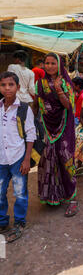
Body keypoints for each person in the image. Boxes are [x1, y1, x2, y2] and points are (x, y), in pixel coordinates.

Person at [33, 52, 78, 216]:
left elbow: (68, 106)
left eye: (53, 63)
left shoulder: (65, 82)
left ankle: (72, 198)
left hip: (63, 127)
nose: (50, 66)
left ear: (59, 65)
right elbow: (38, 104)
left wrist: (58, 89)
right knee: (48, 161)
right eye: (47, 63)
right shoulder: (40, 83)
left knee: (65, 160)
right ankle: (52, 196)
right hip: (46, 127)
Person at [0, 71, 36, 242]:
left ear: (18, 87)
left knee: (19, 192)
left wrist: (27, 158)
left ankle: (19, 222)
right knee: (0, 192)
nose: (7, 88)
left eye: (11, 85)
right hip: (1, 159)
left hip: (17, 157)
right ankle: (2, 221)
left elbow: (30, 135)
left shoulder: (24, 109)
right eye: (3, 85)